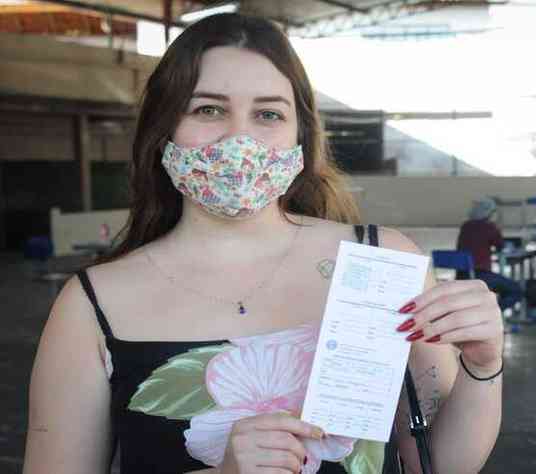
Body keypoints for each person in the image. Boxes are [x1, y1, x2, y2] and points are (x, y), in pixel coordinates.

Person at [22, 13, 503, 474]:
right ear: (163, 128)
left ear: (300, 134)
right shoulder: (93, 304)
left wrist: (484, 364)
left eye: (268, 113)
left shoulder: (380, 262)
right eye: (208, 109)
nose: (240, 138)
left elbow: (437, 463)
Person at [456, 198, 524, 315]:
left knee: (501, 286)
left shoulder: (465, 226)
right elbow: (500, 246)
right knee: (516, 290)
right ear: (489, 213)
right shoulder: (489, 227)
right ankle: (490, 313)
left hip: (461, 276)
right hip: (481, 276)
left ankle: (484, 312)